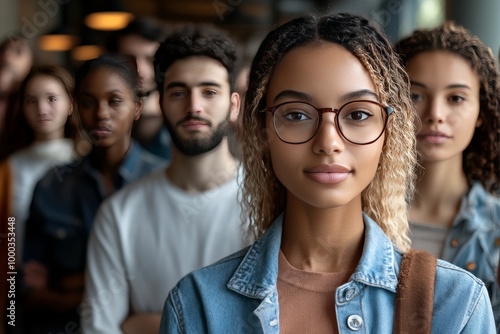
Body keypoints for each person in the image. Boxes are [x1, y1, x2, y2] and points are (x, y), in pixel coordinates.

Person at [159, 13, 495, 333]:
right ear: (262, 129)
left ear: (389, 131)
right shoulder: (197, 305)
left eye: (358, 115)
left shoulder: (456, 304)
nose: (328, 142)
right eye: (296, 115)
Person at [81, 25, 248, 334]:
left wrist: (147, 325)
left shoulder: (266, 205)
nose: (194, 106)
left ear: (234, 105)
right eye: (178, 92)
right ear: (161, 102)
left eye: (209, 91)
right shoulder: (120, 214)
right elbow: (99, 329)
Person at [21, 54, 166, 333]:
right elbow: (27, 292)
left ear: (137, 107)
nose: (100, 113)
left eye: (114, 101)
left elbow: (169, 282)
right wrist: (103, 295)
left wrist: (71, 284)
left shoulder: (163, 180)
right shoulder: (52, 185)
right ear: (75, 108)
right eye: (88, 102)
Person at [395, 22, 500, 327]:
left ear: (481, 111)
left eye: (456, 98)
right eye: (415, 95)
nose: (435, 114)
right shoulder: (355, 215)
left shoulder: (495, 232)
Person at [0, 65, 78, 334]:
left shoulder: (85, 162)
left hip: (72, 287)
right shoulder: (10, 167)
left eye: (52, 98)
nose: (41, 108)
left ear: (71, 104)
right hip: (17, 285)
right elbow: (8, 231)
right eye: (31, 101)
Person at [106, 17, 172, 160]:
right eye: (128, 59)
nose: (140, 71)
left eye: (151, 60)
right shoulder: (98, 119)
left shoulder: (181, 119)